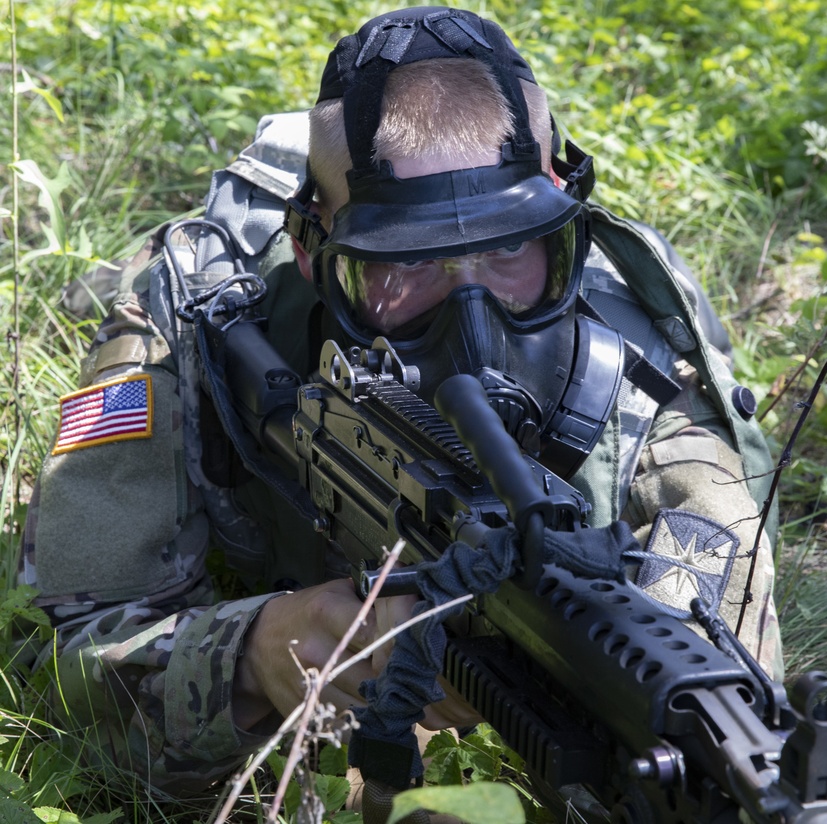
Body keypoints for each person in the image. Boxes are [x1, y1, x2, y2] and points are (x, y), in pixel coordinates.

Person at [18, 4, 782, 814]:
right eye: (405, 266)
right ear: (312, 253)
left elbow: (712, 681)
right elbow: (56, 666)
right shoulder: (198, 311)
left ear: (563, 216)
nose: (473, 320)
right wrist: (255, 654)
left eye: (511, 251)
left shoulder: (645, 352)